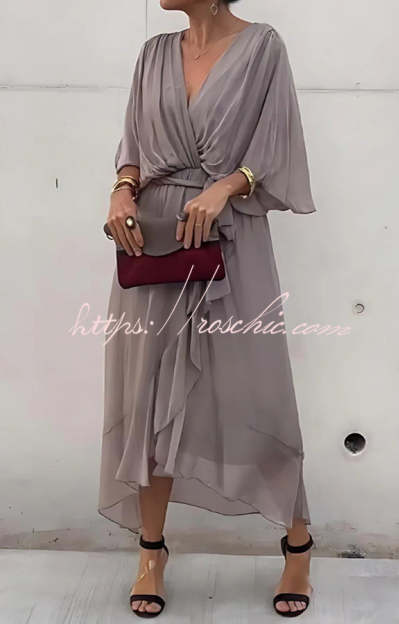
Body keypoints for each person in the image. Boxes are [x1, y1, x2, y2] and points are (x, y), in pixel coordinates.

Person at [99, 0, 317, 618]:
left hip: (230, 239)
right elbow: (133, 148)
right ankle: (151, 553)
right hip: (152, 244)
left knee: (256, 391)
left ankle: (298, 544)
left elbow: (275, 143)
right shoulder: (153, 54)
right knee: (147, 395)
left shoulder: (263, 47)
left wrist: (225, 185)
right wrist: (120, 191)